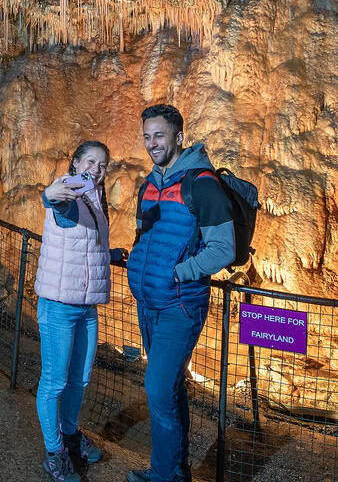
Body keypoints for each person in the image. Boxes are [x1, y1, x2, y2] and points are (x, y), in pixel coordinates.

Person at [126, 105, 235, 482]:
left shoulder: (201, 183)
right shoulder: (150, 184)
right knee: (169, 390)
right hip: (149, 304)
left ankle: (163, 476)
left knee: (156, 390)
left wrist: (179, 273)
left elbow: (224, 248)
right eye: (147, 136)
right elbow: (145, 235)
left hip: (180, 305)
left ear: (178, 137)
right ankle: (174, 471)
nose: (152, 143)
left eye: (159, 135)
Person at [35, 140, 127, 482]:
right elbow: (53, 200)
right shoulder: (69, 192)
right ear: (75, 163)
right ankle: (54, 451)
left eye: (103, 165)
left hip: (86, 303)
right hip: (59, 305)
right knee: (55, 381)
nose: (97, 169)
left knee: (80, 379)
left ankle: (71, 434)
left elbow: (84, 245)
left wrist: (111, 254)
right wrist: (50, 193)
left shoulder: (93, 196)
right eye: (91, 162)